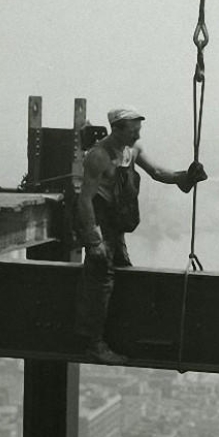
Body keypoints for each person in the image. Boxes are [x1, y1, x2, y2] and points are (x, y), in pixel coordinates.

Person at [74, 107, 208, 364]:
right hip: (102, 227)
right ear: (118, 129)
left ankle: (116, 336)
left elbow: (158, 173)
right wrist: (93, 240)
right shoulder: (98, 156)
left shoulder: (131, 151)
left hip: (116, 226)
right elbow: (85, 200)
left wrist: (185, 176)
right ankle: (93, 343)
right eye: (133, 131)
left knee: (122, 274)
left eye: (138, 130)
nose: (137, 135)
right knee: (100, 281)